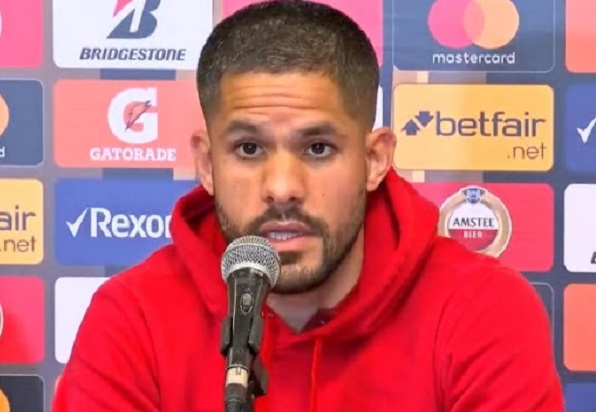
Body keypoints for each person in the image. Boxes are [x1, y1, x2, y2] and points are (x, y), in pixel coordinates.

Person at [53, 1, 564, 411]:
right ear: (207, 165)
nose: (281, 188)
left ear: (374, 160)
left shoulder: (480, 310)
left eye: (317, 148)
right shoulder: (133, 319)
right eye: (248, 149)